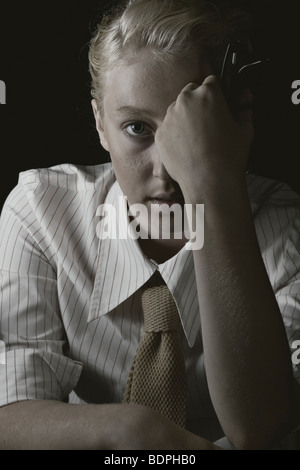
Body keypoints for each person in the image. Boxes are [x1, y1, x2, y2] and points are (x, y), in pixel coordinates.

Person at [0, 0, 299, 450]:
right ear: (101, 123)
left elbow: (262, 429)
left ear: (237, 121)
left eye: (191, 131)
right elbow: (10, 411)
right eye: (138, 127)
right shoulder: (40, 212)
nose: (167, 170)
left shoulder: (284, 229)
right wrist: (132, 432)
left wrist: (212, 188)